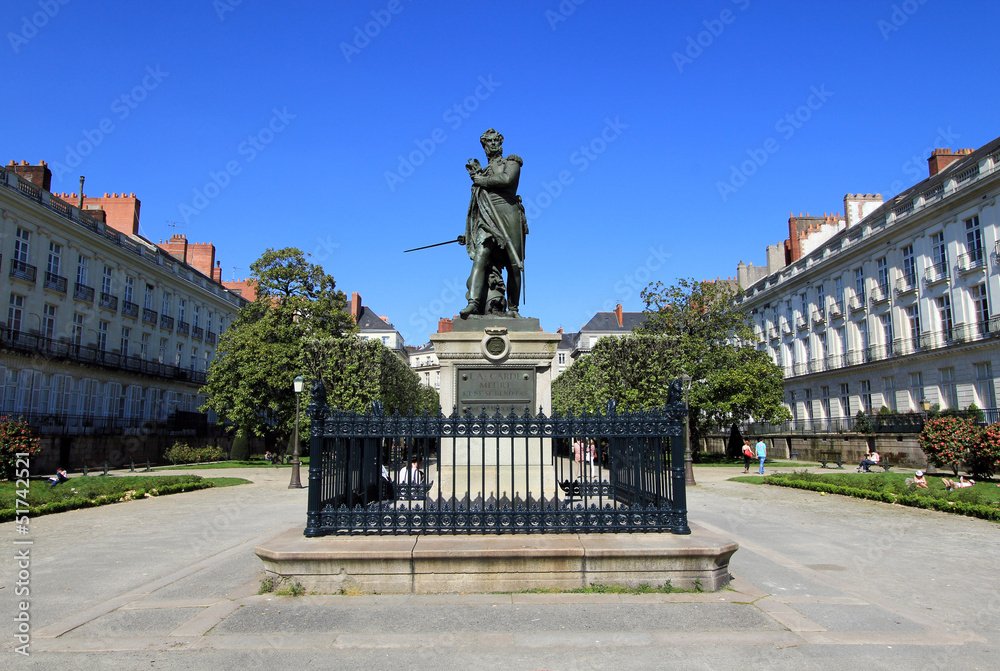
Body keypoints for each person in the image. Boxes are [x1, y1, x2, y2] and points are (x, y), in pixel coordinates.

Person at [457, 129, 528, 319]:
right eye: (488, 142)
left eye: (495, 141)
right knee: (481, 256)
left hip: (508, 211)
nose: (492, 145)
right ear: (484, 147)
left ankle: (513, 309)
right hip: (486, 218)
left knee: (514, 264)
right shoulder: (482, 172)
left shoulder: (511, 162)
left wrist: (483, 181)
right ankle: (473, 303)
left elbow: (507, 179)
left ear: (501, 143)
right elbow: (476, 206)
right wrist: (470, 233)